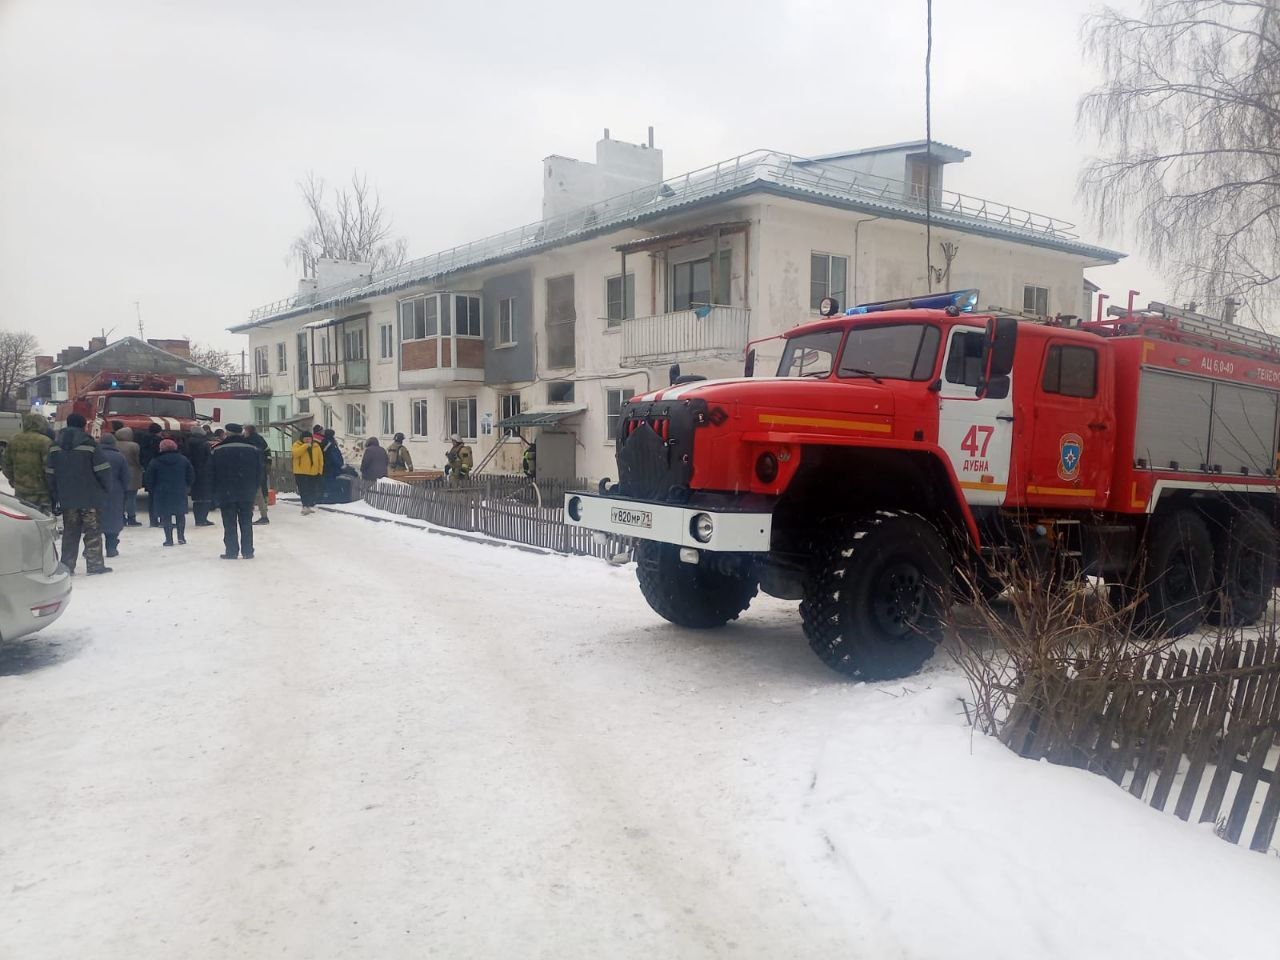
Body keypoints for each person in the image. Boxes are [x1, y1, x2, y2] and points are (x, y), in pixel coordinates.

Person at [45, 412, 112, 575]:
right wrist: (105, 488)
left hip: (68, 498)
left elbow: (50, 473)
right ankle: (95, 565)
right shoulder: (90, 444)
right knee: (93, 531)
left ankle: (67, 566)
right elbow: (102, 470)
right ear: (83, 426)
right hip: (91, 496)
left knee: (70, 533)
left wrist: (56, 493)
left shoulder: (54, 446)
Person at [210, 423, 260, 559]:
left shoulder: (218, 450)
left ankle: (231, 551)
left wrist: (215, 491)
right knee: (246, 522)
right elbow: (259, 472)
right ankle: (248, 551)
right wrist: (254, 488)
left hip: (226, 492)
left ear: (227, 433)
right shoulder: (253, 449)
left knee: (229, 522)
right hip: (247, 492)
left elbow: (212, 473)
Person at [144, 437, 194, 546]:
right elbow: (191, 475)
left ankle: (169, 539)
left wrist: (153, 489)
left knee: (166, 516)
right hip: (179, 490)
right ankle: (181, 537)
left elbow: (149, 478)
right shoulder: (183, 459)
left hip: (162, 491)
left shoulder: (155, 461)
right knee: (180, 514)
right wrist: (187, 485)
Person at [2, 412, 54, 510]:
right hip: (41, 492)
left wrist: (13, 479)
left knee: (24, 516)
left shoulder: (13, 440)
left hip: (21, 490)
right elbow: (49, 468)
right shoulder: (45, 441)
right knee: (42, 520)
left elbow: (6, 465)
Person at [98, 432, 129, 558]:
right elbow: (125, 477)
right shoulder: (120, 457)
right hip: (115, 491)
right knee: (113, 519)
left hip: (97, 490)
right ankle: (111, 548)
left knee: (96, 520)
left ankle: (92, 548)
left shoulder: (95, 455)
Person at [111, 423, 144, 525]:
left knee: (120, 498)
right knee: (131, 497)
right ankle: (131, 517)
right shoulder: (134, 446)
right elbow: (137, 460)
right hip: (132, 474)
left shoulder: (114, 444)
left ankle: (120, 517)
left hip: (118, 474)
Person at [185, 426, 215, 526]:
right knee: (206, 498)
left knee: (197, 498)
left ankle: (198, 519)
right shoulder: (204, 443)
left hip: (193, 472)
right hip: (204, 473)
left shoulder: (188, 442)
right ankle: (203, 518)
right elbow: (208, 459)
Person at [293, 428, 325, 514]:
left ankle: (308, 505)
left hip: (313, 472)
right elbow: (295, 454)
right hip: (301, 472)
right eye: (306, 438)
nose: (308, 440)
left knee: (312, 490)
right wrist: (305, 446)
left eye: (309, 438)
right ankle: (305, 506)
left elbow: (320, 459)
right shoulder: (297, 445)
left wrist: (320, 471)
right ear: (302, 439)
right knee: (303, 490)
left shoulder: (316, 446)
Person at [243, 423, 270, 525]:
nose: (244, 432)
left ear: (248, 431)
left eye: (245, 430)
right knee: (259, 490)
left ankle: (257, 514)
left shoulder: (249, 441)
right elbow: (266, 451)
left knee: (255, 492)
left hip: (251, 469)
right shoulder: (260, 439)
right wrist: (267, 463)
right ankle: (263, 514)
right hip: (259, 467)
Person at [139, 423, 163, 526]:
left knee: (152, 496)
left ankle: (153, 520)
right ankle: (163, 519)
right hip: (159, 470)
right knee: (162, 496)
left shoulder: (143, 441)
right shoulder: (159, 441)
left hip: (148, 468)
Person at [320, 427, 343, 502]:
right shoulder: (330, 442)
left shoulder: (325, 441)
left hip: (328, 465)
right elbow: (334, 454)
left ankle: (330, 495)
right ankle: (331, 496)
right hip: (331, 465)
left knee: (329, 481)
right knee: (330, 481)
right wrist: (340, 463)